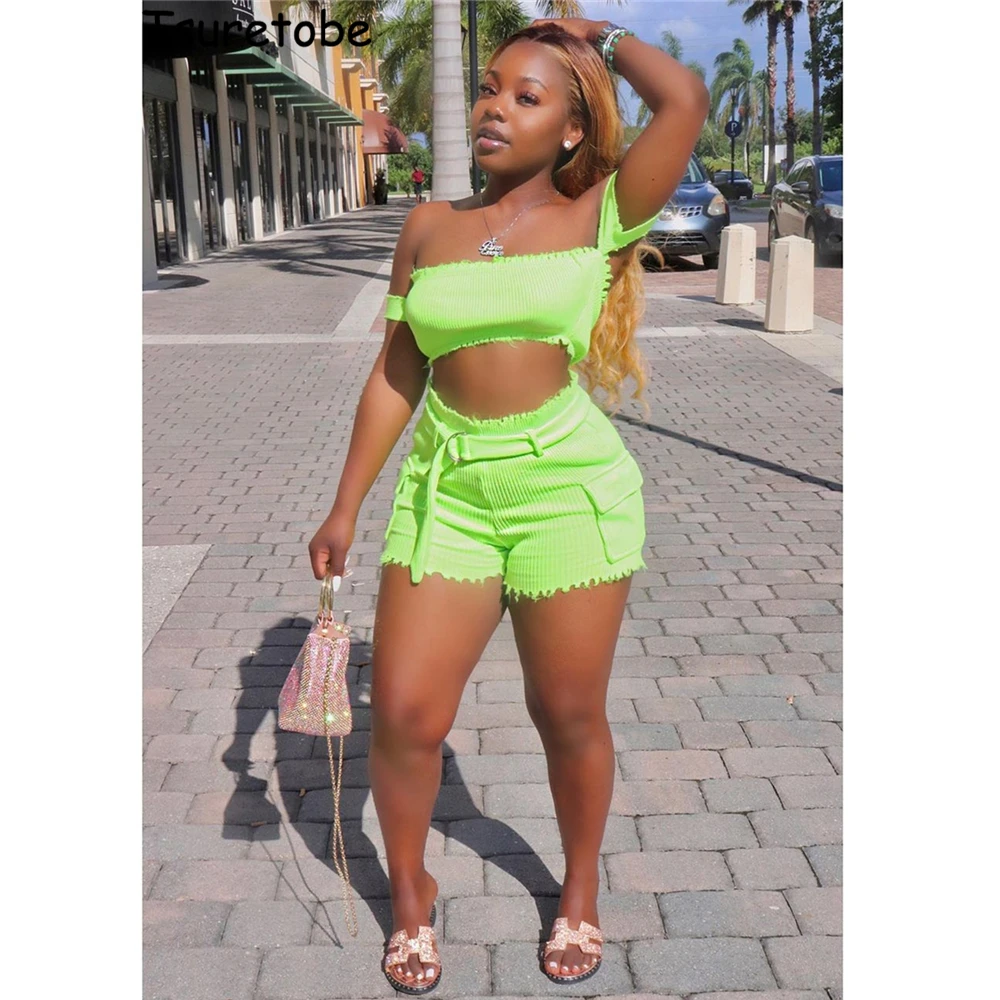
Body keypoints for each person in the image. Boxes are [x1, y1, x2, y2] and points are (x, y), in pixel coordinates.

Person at [308, 16, 708, 994]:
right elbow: (398, 370)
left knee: (564, 710)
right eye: (490, 87)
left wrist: (599, 36)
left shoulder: (602, 211)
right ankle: (411, 896)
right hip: (447, 489)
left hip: (566, 490)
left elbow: (683, 101)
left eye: (527, 97)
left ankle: (579, 887)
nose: (494, 107)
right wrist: (345, 505)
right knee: (405, 714)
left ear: (572, 131)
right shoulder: (428, 227)